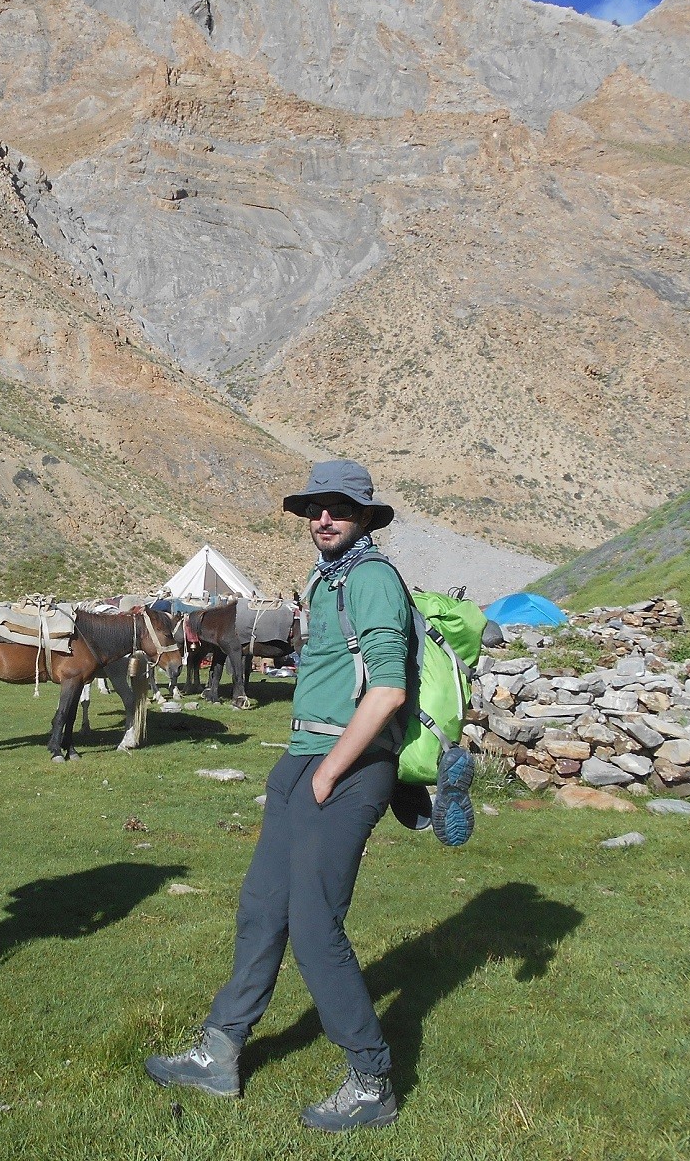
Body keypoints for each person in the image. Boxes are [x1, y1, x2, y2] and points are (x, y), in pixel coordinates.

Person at [144, 460, 470, 1133]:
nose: (324, 518)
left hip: (345, 770)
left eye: (339, 509)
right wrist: (300, 770)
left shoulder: (372, 579)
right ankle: (221, 1052)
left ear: (364, 518)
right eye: (315, 508)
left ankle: (372, 1079)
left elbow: (388, 689)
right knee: (262, 908)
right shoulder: (331, 580)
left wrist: (326, 774)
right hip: (303, 760)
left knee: (317, 926)